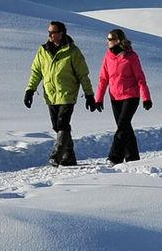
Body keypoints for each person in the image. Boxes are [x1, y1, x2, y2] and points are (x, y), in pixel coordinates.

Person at [24, 19, 94, 166]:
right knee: (57, 126)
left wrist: (89, 94)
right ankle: (69, 156)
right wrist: (30, 90)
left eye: (53, 32)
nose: (50, 35)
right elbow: (36, 72)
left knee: (62, 123)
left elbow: (83, 75)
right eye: (49, 32)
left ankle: (57, 154)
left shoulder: (73, 51)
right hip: (50, 95)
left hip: (67, 94)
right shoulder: (43, 50)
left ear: (61, 33)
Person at [94, 27, 153, 164]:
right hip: (115, 97)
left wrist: (146, 97)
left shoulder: (131, 56)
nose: (107, 42)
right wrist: (99, 98)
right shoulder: (108, 56)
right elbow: (103, 78)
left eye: (110, 39)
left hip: (131, 96)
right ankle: (132, 157)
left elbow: (140, 78)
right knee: (125, 127)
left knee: (122, 126)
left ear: (118, 40)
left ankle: (115, 157)